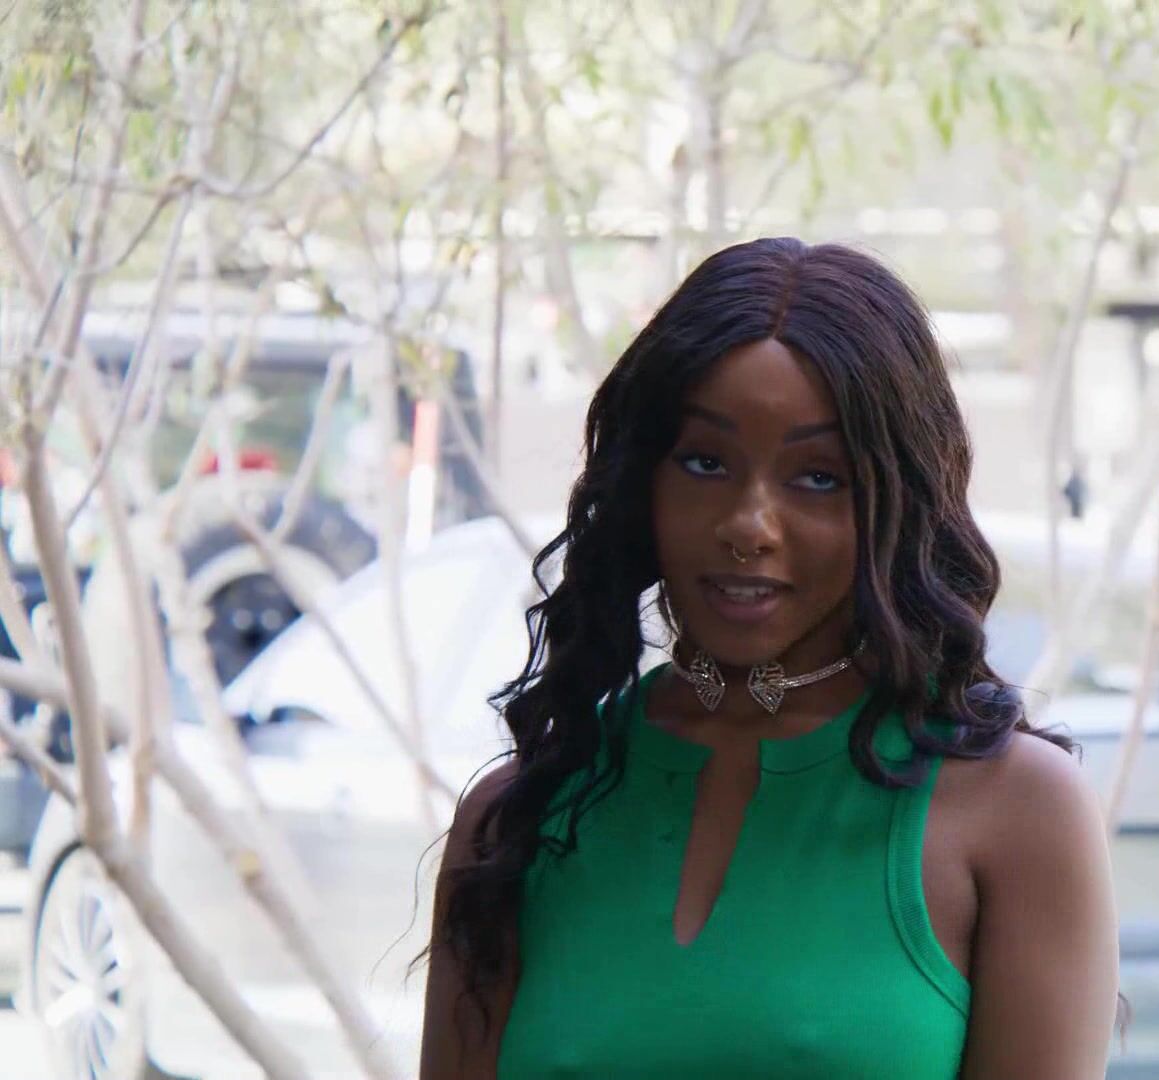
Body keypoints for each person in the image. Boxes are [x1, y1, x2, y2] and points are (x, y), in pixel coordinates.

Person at [418, 237, 1121, 1078]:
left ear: (899, 502)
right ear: (643, 483)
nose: (748, 524)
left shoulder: (1016, 812)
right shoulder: (518, 817)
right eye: (705, 462)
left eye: (818, 477)